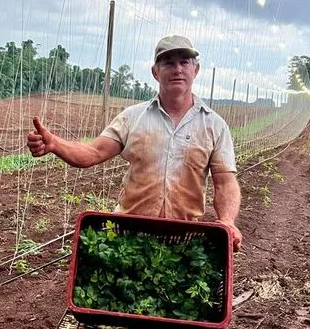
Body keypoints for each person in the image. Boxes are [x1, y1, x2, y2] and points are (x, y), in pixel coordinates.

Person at [26, 34, 243, 251]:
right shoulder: (132, 118)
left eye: (184, 62)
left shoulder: (214, 125)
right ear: (155, 72)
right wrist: (54, 144)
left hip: (182, 241)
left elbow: (225, 182)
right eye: (168, 62)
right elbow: (92, 152)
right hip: (127, 236)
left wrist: (227, 221)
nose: (177, 69)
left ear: (195, 70)